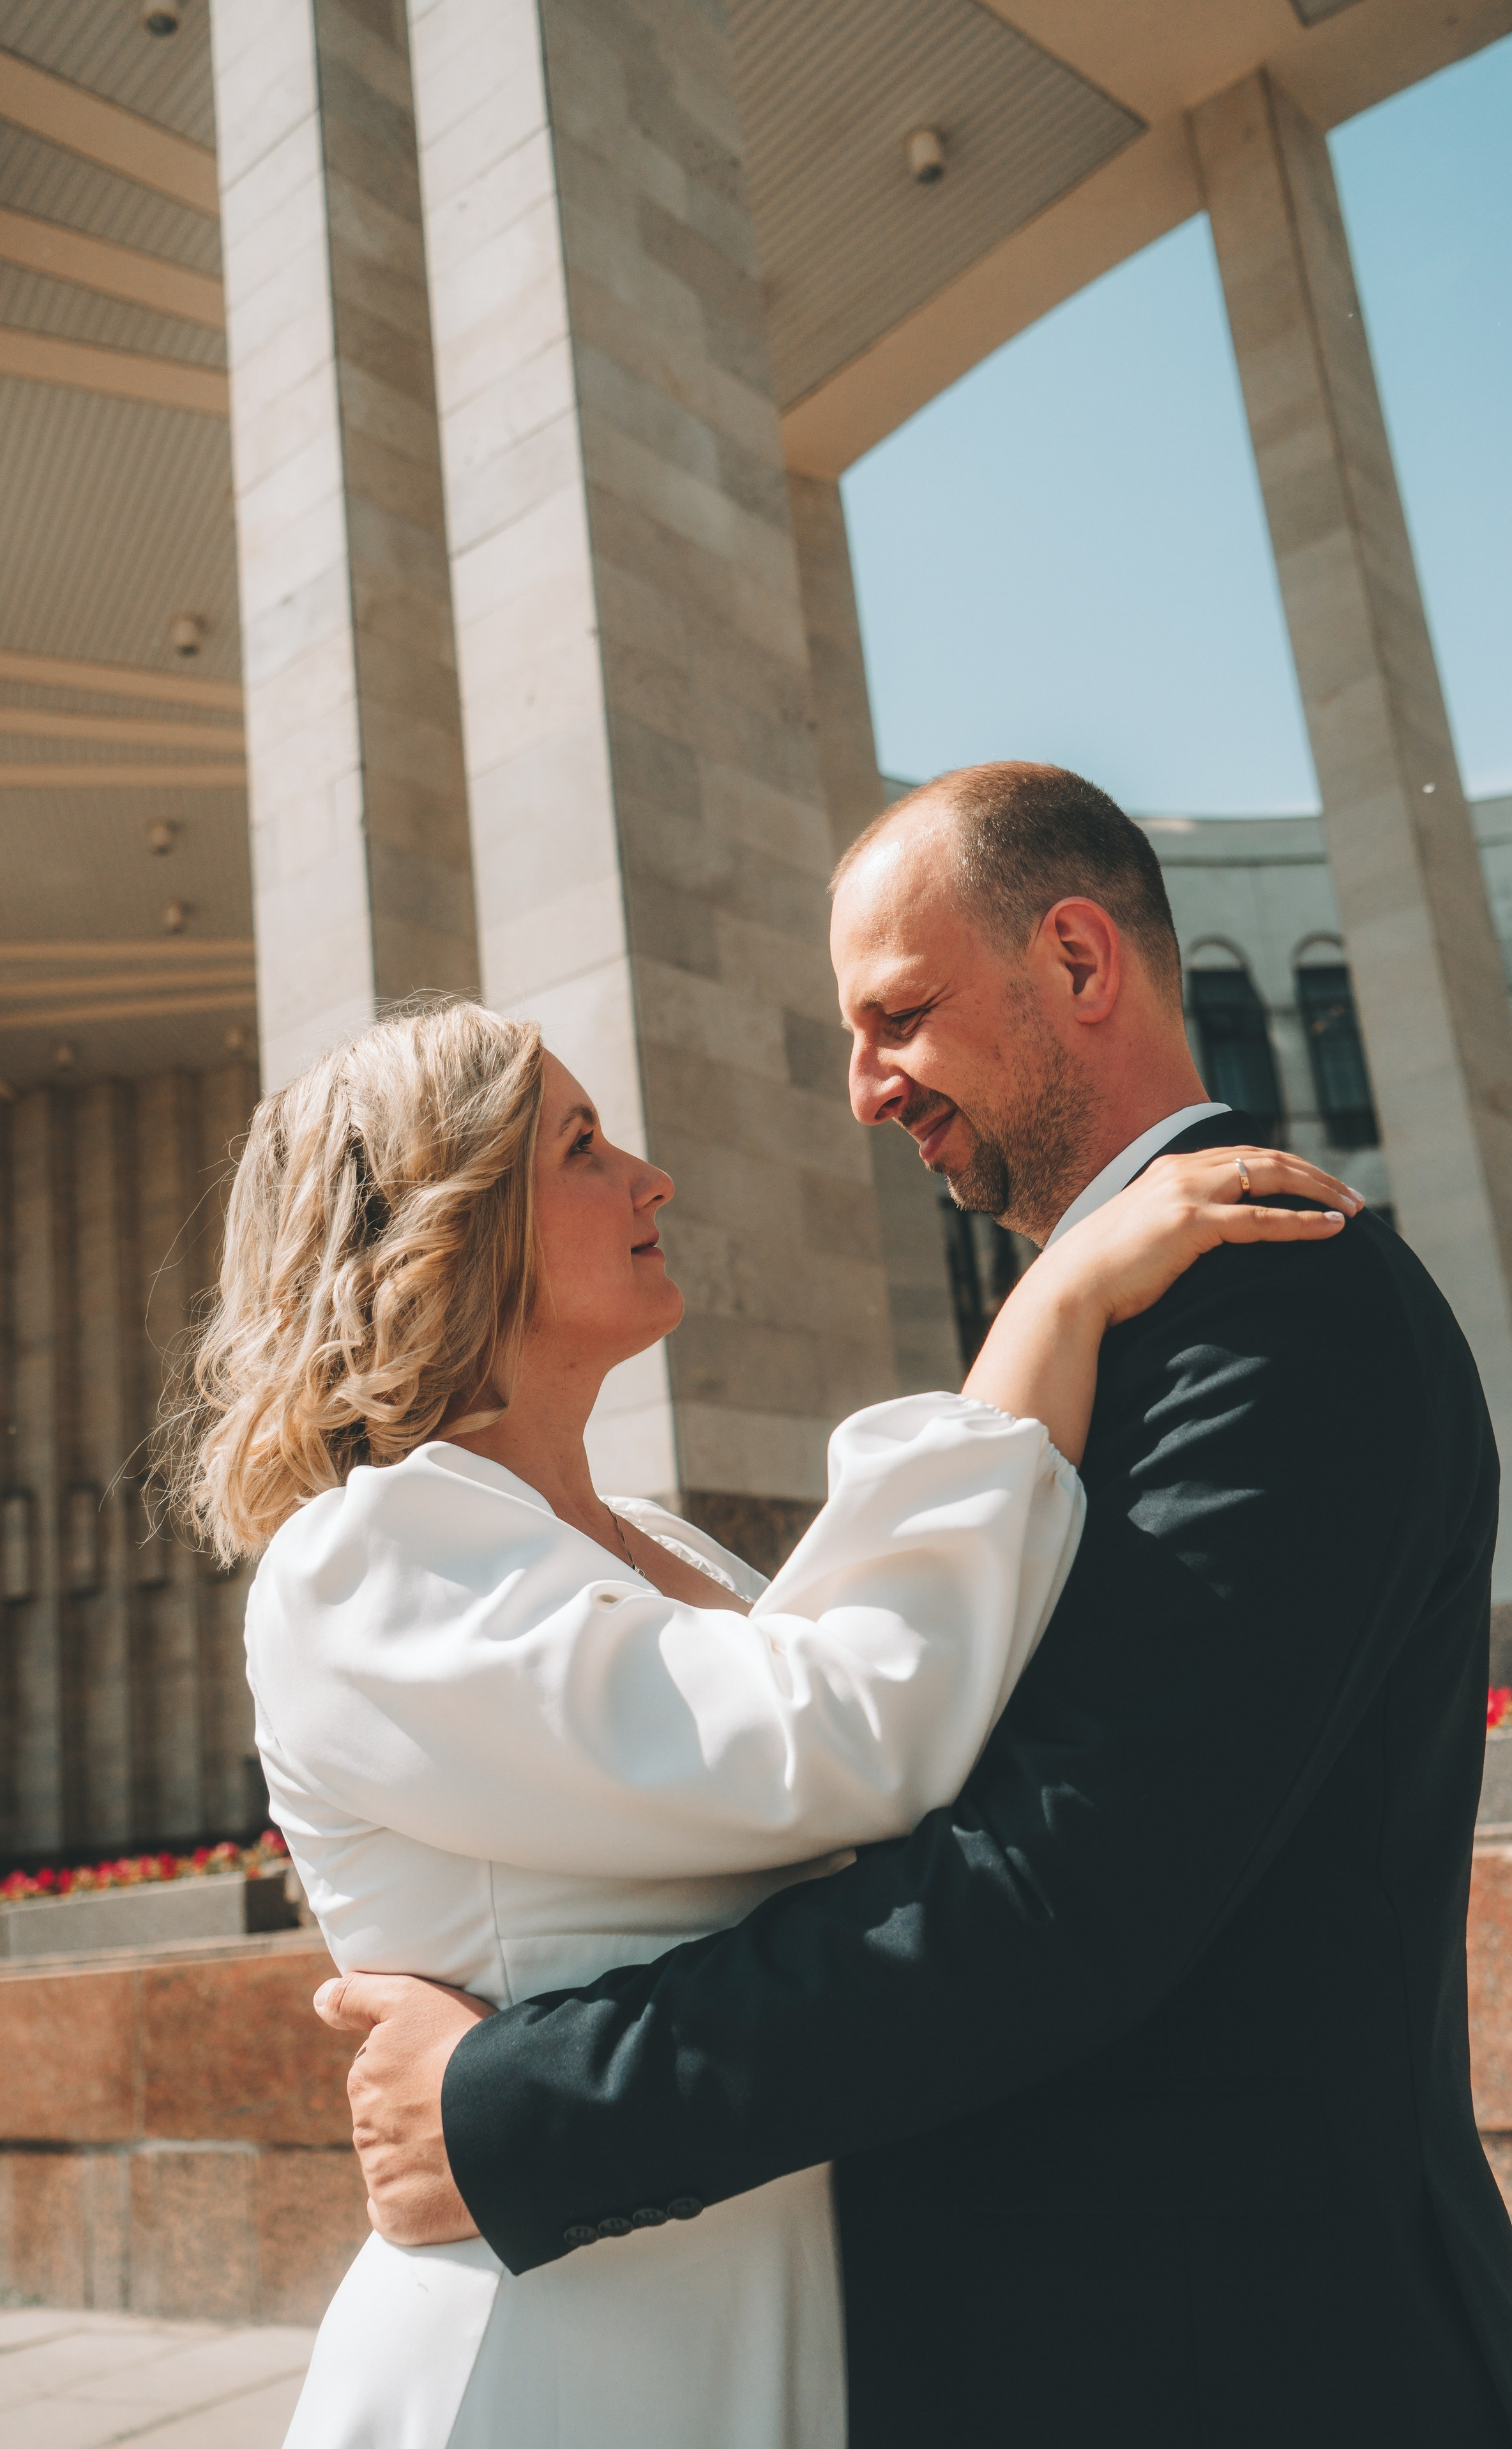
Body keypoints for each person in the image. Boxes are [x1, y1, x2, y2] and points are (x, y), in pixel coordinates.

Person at [319, 764, 1512, 2448]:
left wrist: (512, 2107)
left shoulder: (1269, 1306)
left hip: (1226, 2356)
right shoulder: (1136, 1313)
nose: (866, 1090)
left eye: (897, 1016)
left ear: (1078, 962)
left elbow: (1055, 1890)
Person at [172, 976, 1350, 2448]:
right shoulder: (364, 1560)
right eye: (581, 1146)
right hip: (558, 2357)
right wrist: (1051, 1308)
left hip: (757, 2322)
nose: (649, 1177)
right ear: (448, 1220)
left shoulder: (655, 1546)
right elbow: (843, 1732)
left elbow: (915, 1740)